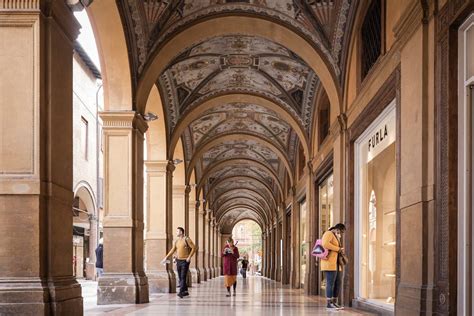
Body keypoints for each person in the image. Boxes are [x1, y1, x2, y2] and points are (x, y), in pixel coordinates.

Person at [161, 227, 197, 298]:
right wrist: (166, 257)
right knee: (180, 277)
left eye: (177, 231)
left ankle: (181, 292)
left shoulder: (186, 239)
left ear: (181, 232)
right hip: (178, 260)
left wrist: (189, 257)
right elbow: (173, 250)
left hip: (185, 261)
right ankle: (185, 291)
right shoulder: (176, 241)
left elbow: (194, 247)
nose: (176, 232)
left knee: (183, 276)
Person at [321, 223, 346, 311]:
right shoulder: (328, 234)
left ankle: (334, 302)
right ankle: (329, 304)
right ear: (337, 229)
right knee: (330, 283)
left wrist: (339, 249)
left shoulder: (335, 235)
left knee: (338, 282)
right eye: (341, 231)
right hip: (329, 263)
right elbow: (325, 244)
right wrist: (338, 249)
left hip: (336, 264)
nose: (341, 233)